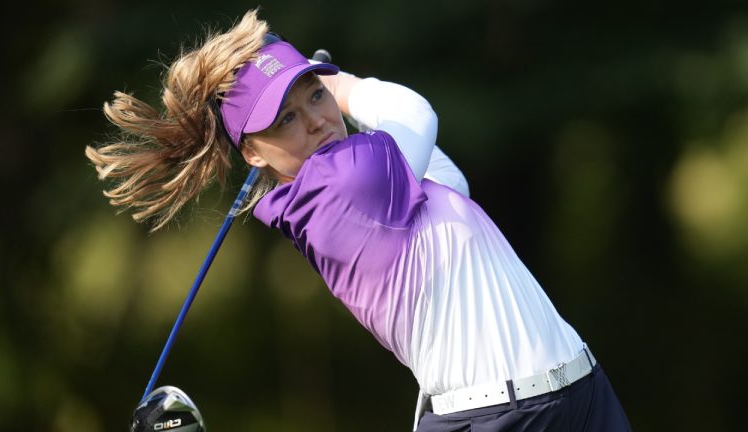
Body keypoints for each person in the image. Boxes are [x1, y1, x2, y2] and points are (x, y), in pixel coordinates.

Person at [86, 10, 631, 431]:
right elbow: (416, 114)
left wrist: (336, 103)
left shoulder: (364, 178)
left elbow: (450, 181)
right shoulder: (341, 188)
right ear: (251, 152)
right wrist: (342, 85)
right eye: (286, 118)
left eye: (315, 94)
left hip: (578, 393)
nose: (318, 120)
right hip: (504, 419)